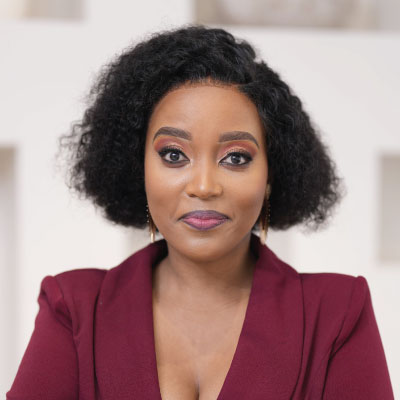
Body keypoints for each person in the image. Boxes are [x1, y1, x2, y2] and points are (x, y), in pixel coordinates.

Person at [7, 25, 394, 400]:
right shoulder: (73, 308)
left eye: (236, 158)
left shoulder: (338, 314)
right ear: (138, 168)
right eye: (174, 155)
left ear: (271, 175)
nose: (204, 186)